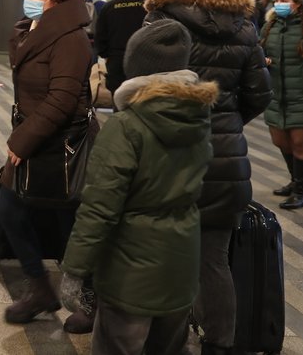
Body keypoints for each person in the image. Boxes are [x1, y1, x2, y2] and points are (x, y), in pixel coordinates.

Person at [143, 0, 271, 354]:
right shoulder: (245, 26)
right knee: (214, 259)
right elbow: (259, 94)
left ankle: (171, 341)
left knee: (169, 258)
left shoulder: (160, 22)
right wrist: (227, 121)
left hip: (171, 158)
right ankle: (220, 344)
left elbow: (144, 91)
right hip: (226, 158)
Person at [60, 19, 216, 355]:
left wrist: (75, 269)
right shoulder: (199, 119)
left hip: (129, 272)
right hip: (181, 262)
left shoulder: (126, 126)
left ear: (137, 69)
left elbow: (99, 208)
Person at [0, 0, 99, 333]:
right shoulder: (32, 31)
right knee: (11, 207)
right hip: (35, 135)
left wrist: (21, 143)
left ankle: (86, 297)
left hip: (62, 144)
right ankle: (39, 287)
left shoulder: (71, 39)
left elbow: (61, 99)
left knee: (69, 220)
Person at [260, 0, 303, 208]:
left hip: (300, 95)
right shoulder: (270, 26)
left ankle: (300, 189)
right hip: (276, 94)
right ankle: (294, 180)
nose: (278, 4)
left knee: (299, 143)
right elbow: (260, 51)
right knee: (281, 141)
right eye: (276, 0)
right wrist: (264, 61)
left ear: (296, 3)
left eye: (284, 1)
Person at [94, 0, 147, 97]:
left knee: (119, 100)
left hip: (117, 61)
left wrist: (106, 54)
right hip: (143, 60)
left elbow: (100, 36)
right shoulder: (146, 4)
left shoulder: (109, 7)